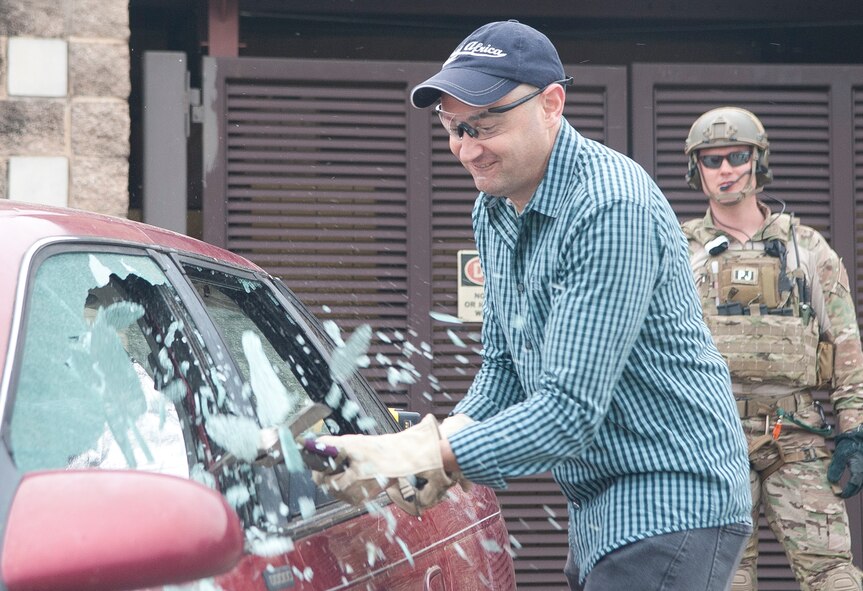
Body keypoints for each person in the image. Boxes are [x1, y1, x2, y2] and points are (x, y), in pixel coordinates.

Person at [311, 20, 752, 590]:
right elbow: (503, 367)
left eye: (486, 125)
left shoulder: (610, 206)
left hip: (672, 497)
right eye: (453, 127)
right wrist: (436, 442)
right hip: (598, 506)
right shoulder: (493, 209)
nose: (466, 149)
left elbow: (568, 411)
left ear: (551, 104)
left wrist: (437, 453)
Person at [682, 106, 863, 591]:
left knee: (832, 574)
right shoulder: (678, 251)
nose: (725, 170)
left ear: (758, 160)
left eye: (736, 157)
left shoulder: (807, 249)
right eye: (712, 160)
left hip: (797, 435)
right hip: (712, 437)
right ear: (696, 168)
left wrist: (854, 431)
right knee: (721, 579)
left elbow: (845, 346)